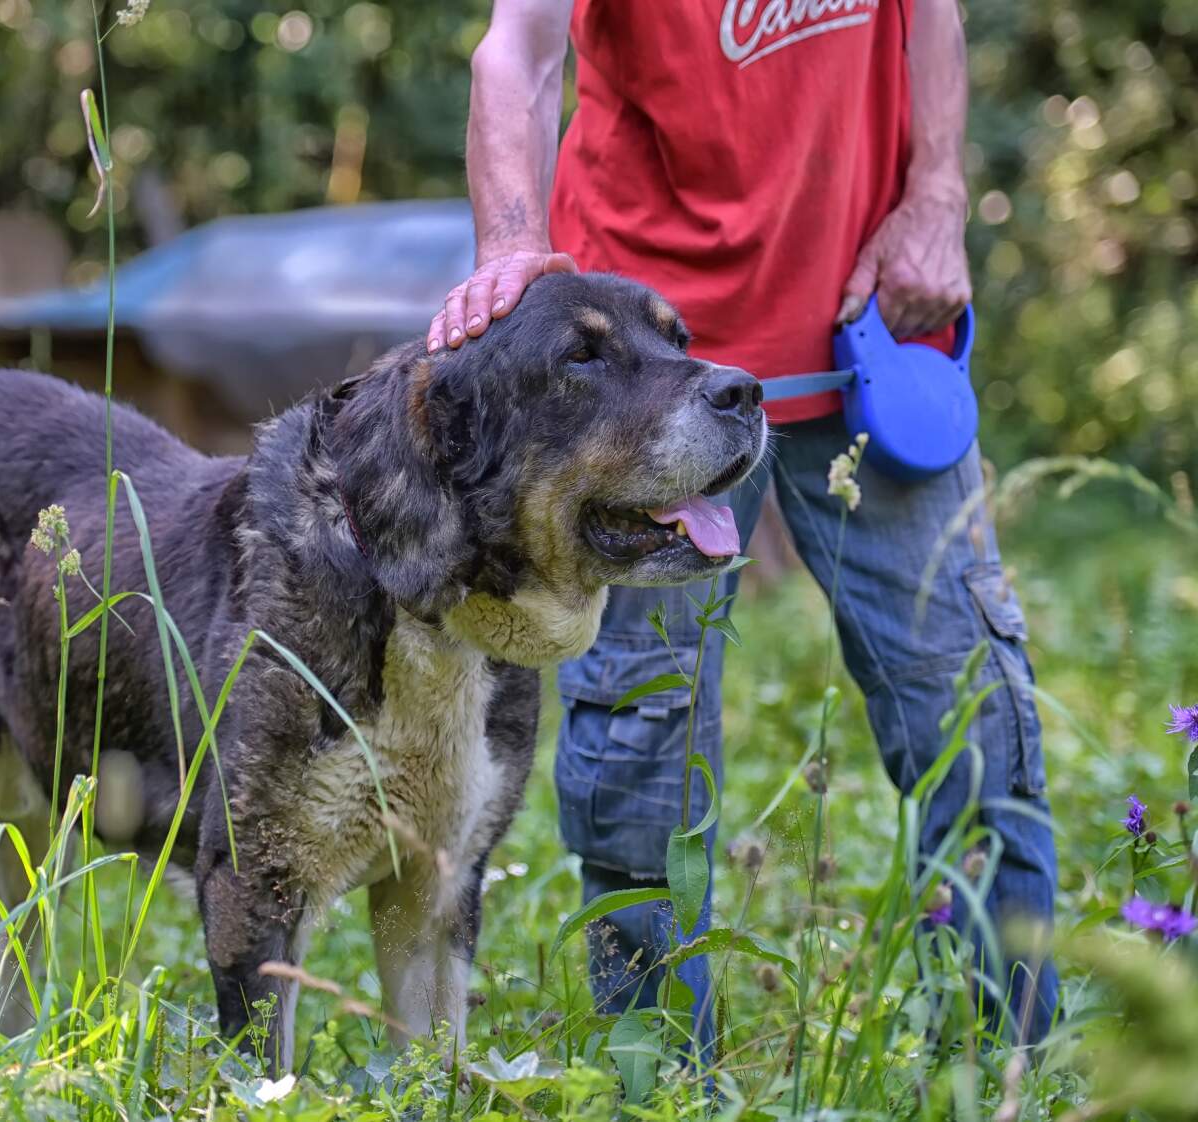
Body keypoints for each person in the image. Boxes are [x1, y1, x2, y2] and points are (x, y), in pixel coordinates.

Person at [430, 0, 1058, 1047]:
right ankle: (662, 1078)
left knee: (977, 721)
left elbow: (932, 16)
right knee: (641, 746)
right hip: (641, 390)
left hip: (874, 351)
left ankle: (1018, 1068)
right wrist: (512, 247)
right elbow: (521, 48)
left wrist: (938, 194)